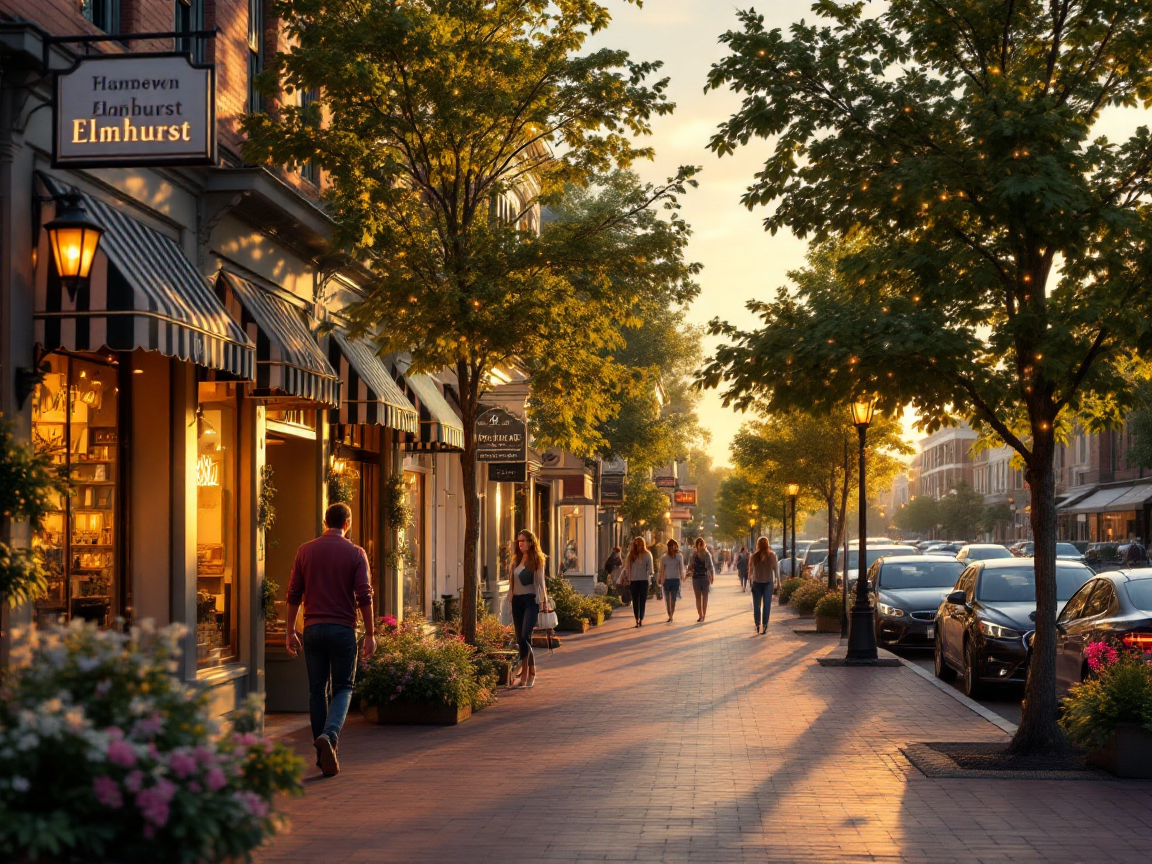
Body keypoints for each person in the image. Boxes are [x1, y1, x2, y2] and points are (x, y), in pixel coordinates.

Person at [285, 502, 376, 778]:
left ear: (325, 522)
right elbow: (364, 595)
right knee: (344, 687)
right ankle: (330, 735)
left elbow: (293, 594)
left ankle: (321, 754)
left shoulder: (305, 551)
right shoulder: (356, 553)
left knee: (317, 691)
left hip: (312, 628)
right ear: (347, 523)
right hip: (342, 630)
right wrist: (371, 633)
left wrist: (289, 630)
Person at [507, 530, 550, 688]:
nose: (520, 544)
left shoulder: (537, 559)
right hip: (517, 601)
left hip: (531, 601)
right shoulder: (515, 559)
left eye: (523, 541)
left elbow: (540, 582)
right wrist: (510, 601)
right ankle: (528, 672)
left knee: (525, 636)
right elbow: (511, 583)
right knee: (521, 639)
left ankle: (525, 672)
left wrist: (544, 601)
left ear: (531, 542)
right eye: (519, 541)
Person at [749, 537, 779, 634]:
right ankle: (765, 624)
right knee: (767, 604)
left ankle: (758, 624)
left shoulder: (754, 556)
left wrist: (751, 581)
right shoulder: (771, 555)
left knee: (756, 606)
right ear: (767, 544)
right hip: (768, 583)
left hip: (757, 583)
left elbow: (750, 570)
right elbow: (776, 569)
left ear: (757, 544)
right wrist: (778, 582)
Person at [624, 536, 654, 627]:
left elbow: (650, 568)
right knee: (636, 600)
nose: (638, 546)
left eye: (639, 543)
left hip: (643, 580)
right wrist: (628, 578)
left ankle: (640, 618)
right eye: (636, 544)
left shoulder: (647, 554)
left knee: (641, 600)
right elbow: (627, 568)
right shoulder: (631, 555)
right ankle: (637, 618)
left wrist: (650, 576)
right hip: (634, 580)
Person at [688, 537, 715, 623]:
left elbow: (710, 567)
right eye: (698, 544)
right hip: (696, 578)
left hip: (705, 578)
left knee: (705, 597)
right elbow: (690, 567)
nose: (700, 546)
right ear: (696, 545)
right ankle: (700, 615)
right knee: (698, 597)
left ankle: (703, 615)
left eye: (701, 544)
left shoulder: (707, 554)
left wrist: (712, 576)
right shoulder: (693, 555)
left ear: (703, 544)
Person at [658, 539, 686, 623]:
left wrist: (682, 576)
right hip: (666, 580)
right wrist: (661, 579)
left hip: (675, 580)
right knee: (667, 599)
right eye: (672, 546)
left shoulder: (679, 556)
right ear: (669, 547)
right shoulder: (664, 558)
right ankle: (669, 614)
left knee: (673, 599)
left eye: (675, 546)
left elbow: (681, 568)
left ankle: (671, 615)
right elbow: (662, 570)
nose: (673, 548)